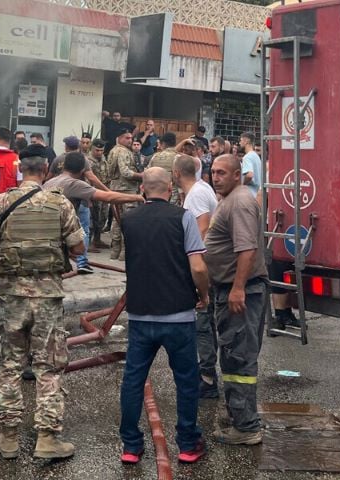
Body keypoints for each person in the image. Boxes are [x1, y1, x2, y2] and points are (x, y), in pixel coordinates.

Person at [0, 143, 84, 461]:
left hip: (11, 297)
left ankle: (8, 438)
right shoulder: (59, 203)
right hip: (47, 298)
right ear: (46, 170)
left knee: (9, 366)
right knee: (48, 368)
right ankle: (47, 440)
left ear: (20, 170)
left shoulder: (0, 202)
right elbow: (77, 248)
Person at [119, 167, 209, 465]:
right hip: (178, 314)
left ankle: (131, 446)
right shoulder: (182, 217)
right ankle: (187, 443)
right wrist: (204, 295)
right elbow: (197, 267)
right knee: (185, 380)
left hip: (140, 314)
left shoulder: (128, 219)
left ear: (142, 188)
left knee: (133, 379)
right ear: (170, 188)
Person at [204, 154, 268, 446]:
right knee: (233, 353)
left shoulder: (240, 202)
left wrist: (238, 288)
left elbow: (247, 249)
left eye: (221, 172)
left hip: (240, 292)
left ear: (237, 175)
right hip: (229, 289)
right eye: (212, 171)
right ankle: (239, 414)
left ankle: (246, 427)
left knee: (238, 357)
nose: (215, 177)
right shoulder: (230, 198)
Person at [45, 151, 143, 273]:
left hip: (46, 233)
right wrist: (138, 197)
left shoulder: (50, 183)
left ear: (64, 166)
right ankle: (82, 263)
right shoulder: (75, 184)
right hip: (58, 235)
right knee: (80, 243)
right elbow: (108, 198)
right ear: (82, 170)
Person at [173, 154, 219, 399]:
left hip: (203, 263)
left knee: (202, 323)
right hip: (204, 261)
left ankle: (207, 379)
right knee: (205, 322)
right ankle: (207, 374)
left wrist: (193, 260)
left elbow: (203, 226)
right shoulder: (199, 190)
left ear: (177, 174)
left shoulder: (198, 194)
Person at [106, 129, 142, 261]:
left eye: (131, 138)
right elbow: (125, 172)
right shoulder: (123, 152)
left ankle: (115, 251)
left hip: (115, 189)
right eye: (127, 138)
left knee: (116, 220)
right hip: (127, 190)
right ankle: (124, 253)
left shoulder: (113, 150)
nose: (130, 140)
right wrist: (141, 176)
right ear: (119, 138)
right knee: (128, 220)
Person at [87, 139, 110, 250]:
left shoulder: (103, 160)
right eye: (97, 150)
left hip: (104, 194)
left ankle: (97, 239)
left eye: (101, 150)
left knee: (102, 217)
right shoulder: (88, 161)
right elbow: (87, 180)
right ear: (92, 149)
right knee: (92, 218)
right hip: (93, 193)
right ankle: (89, 242)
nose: (99, 152)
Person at [147, 132, 179, 205]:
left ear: (163, 143)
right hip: (173, 195)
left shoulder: (155, 157)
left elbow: (148, 173)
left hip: (156, 193)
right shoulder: (178, 157)